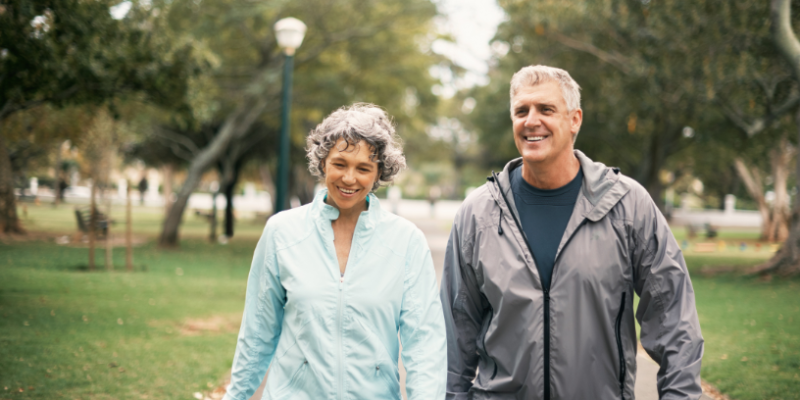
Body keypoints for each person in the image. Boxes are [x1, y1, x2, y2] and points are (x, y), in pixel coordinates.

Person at [440, 65, 704, 399]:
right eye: (521, 111)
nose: (531, 120)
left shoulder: (628, 204)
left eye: (546, 109)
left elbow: (674, 318)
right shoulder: (477, 214)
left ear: (574, 119)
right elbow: (455, 335)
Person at [223, 104, 446, 400]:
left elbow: (424, 345)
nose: (349, 179)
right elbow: (257, 333)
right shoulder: (282, 232)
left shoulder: (407, 242)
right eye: (340, 164)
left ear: (379, 172)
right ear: (323, 162)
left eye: (363, 168)